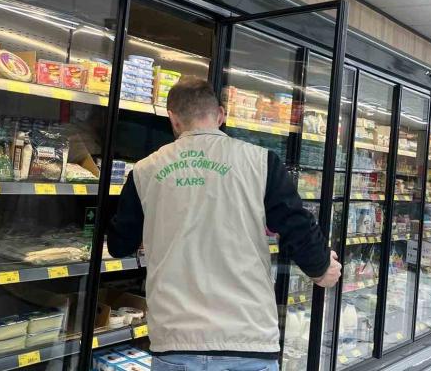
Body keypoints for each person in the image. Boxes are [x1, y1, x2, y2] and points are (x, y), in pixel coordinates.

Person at [107, 77, 341, 371]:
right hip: (248, 339)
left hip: (175, 340)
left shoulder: (144, 171)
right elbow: (296, 224)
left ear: (173, 119)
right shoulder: (261, 162)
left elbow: (119, 245)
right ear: (220, 115)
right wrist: (320, 267)